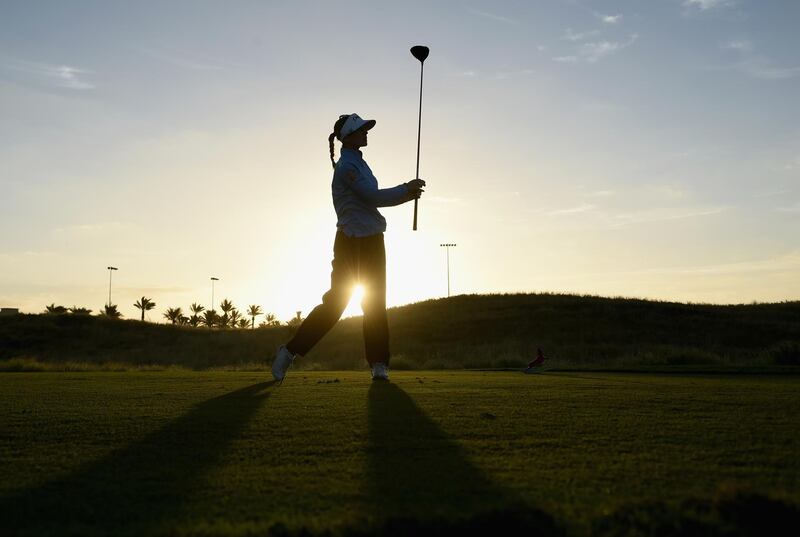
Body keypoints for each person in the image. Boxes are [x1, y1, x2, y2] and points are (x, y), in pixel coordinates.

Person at [271, 113, 426, 382]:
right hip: (350, 242)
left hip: (373, 240)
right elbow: (373, 197)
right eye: (362, 129)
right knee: (335, 305)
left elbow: (373, 201)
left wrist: (407, 194)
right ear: (349, 136)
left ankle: (379, 364)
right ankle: (289, 351)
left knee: (375, 304)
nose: (367, 132)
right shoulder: (347, 167)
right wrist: (406, 189)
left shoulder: (360, 164)